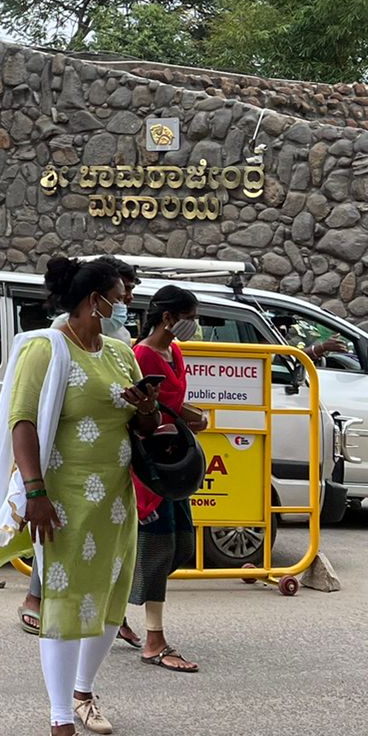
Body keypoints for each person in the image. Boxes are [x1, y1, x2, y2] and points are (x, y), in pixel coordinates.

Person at [6, 256, 156, 736]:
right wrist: (35, 492)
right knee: (66, 601)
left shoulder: (120, 354)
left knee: (111, 597)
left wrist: (147, 407)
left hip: (116, 500)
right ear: (97, 301)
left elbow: (144, 429)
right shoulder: (46, 349)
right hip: (62, 501)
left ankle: (83, 691)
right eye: (122, 298)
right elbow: (22, 421)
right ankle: (60, 721)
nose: (127, 306)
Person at [124, 285, 208, 673]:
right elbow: (145, 410)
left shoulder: (174, 351)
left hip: (175, 463)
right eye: (188, 317)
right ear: (168, 318)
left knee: (181, 546)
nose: (193, 325)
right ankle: (154, 639)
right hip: (151, 467)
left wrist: (194, 416)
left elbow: (169, 404)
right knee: (158, 549)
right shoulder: (140, 354)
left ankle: (116, 608)